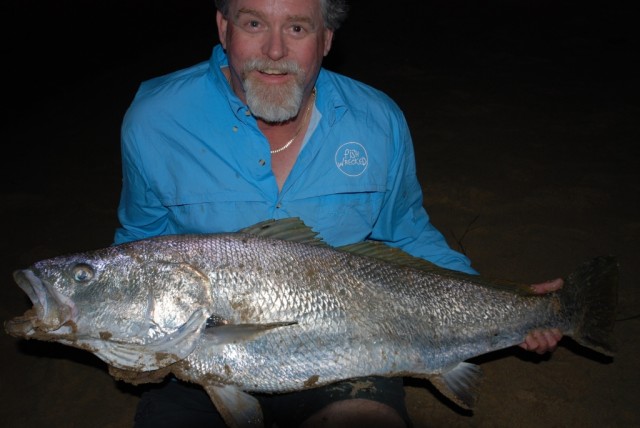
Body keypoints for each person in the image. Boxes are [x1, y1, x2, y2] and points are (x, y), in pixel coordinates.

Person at [113, 0, 563, 426]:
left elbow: (408, 235)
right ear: (223, 28)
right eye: (254, 24)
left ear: (326, 38)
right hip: (191, 359)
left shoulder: (377, 120)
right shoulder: (156, 118)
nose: (274, 50)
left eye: (297, 27)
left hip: (349, 352)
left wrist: (510, 303)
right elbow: (137, 243)